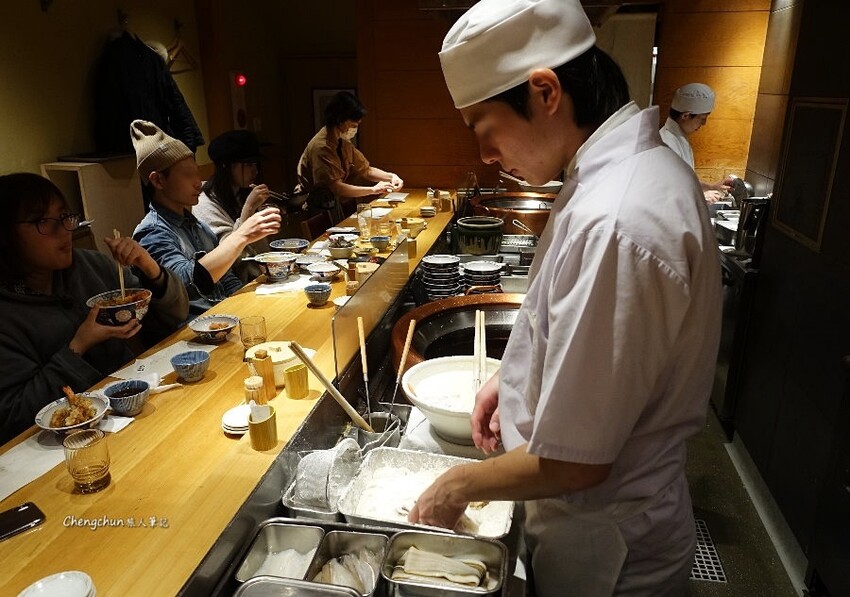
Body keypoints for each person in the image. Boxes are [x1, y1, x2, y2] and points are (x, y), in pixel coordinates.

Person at [408, 1, 722, 595]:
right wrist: (514, 378)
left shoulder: (619, 219)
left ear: (546, 91)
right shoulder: (611, 173)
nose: (486, 157)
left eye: (484, 127)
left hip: (608, 550)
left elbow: (578, 460)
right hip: (588, 518)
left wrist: (456, 485)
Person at [0, 172, 189, 444]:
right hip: (72, 449)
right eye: (44, 221)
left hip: (139, 411)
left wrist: (151, 270)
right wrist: (78, 346)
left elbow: (171, 320)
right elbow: (14, 417)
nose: (65, 231)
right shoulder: (7, 314)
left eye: (65, 217)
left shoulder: (91, 266)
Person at [130, 120, 281, 317]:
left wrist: (248, 307)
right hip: (189, 334)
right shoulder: (151, 233)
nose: (198, 183)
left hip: (225, 319)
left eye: (197, 172)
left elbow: (226, 278)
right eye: (188, 175)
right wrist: (242, 234)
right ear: (158, 180)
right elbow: (185, 284)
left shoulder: (197, 225)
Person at [294, 91, 403, 222]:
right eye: (353, 125)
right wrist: (373, 190)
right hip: (319, 208)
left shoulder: (342, 141)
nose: (355, 129)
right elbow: (336, 187)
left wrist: (391, 176)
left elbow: (366, 170)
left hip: (333, 204)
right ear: (340, 120)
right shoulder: (322, 146)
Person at [194, 129, 275, 282]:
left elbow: (262, 250)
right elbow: (231, 255)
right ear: (226, 165)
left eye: (256, 164)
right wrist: (249, 209)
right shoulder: (204, 203)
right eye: (249, 165)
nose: (255, 171)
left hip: (261, 276)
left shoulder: (239, 192)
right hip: (234, 285)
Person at [659, 83, 733, 203]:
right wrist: (701, 197)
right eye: (702, 119)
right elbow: (664, 191)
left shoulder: (679, 138)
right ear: (686, 115)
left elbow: (684, 182)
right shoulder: (666, 143)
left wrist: (711, 187)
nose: (703, 124)